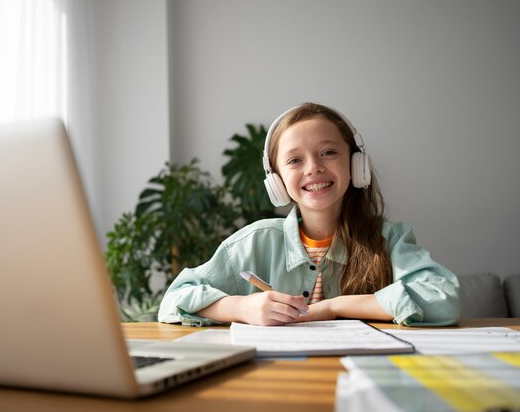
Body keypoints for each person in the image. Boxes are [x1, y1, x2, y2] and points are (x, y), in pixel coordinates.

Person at [157, 102, 460, 327]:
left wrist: (334, 308)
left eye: (328, 152)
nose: (313, 167)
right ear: (276, 181)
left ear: (357, 164)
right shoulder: (253, 243)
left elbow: (444, 300)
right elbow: (172, 300)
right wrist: (240, 308)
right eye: (295, 160)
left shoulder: (389, 240)